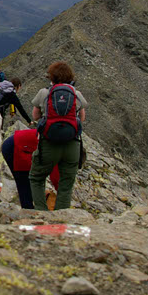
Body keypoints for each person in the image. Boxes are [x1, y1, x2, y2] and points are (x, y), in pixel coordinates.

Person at [29, 61, 88, 210]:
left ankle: (41, 213)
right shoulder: (76, 94)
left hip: (48, 143)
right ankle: (61, 218)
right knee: (66, 183)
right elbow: (82, 118)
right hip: (72, 144)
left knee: (36, 178)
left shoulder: (44, 93)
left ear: (52, 77)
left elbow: (35, 115)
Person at [1, 129, 59, 209]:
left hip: (18, 145)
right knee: (24, 181)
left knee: (26, 182)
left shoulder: (58, 140)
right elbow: (55, 176)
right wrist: (61, 191)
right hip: (15, 147)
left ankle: (29, 208)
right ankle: (28, 210)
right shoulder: (58, 148)